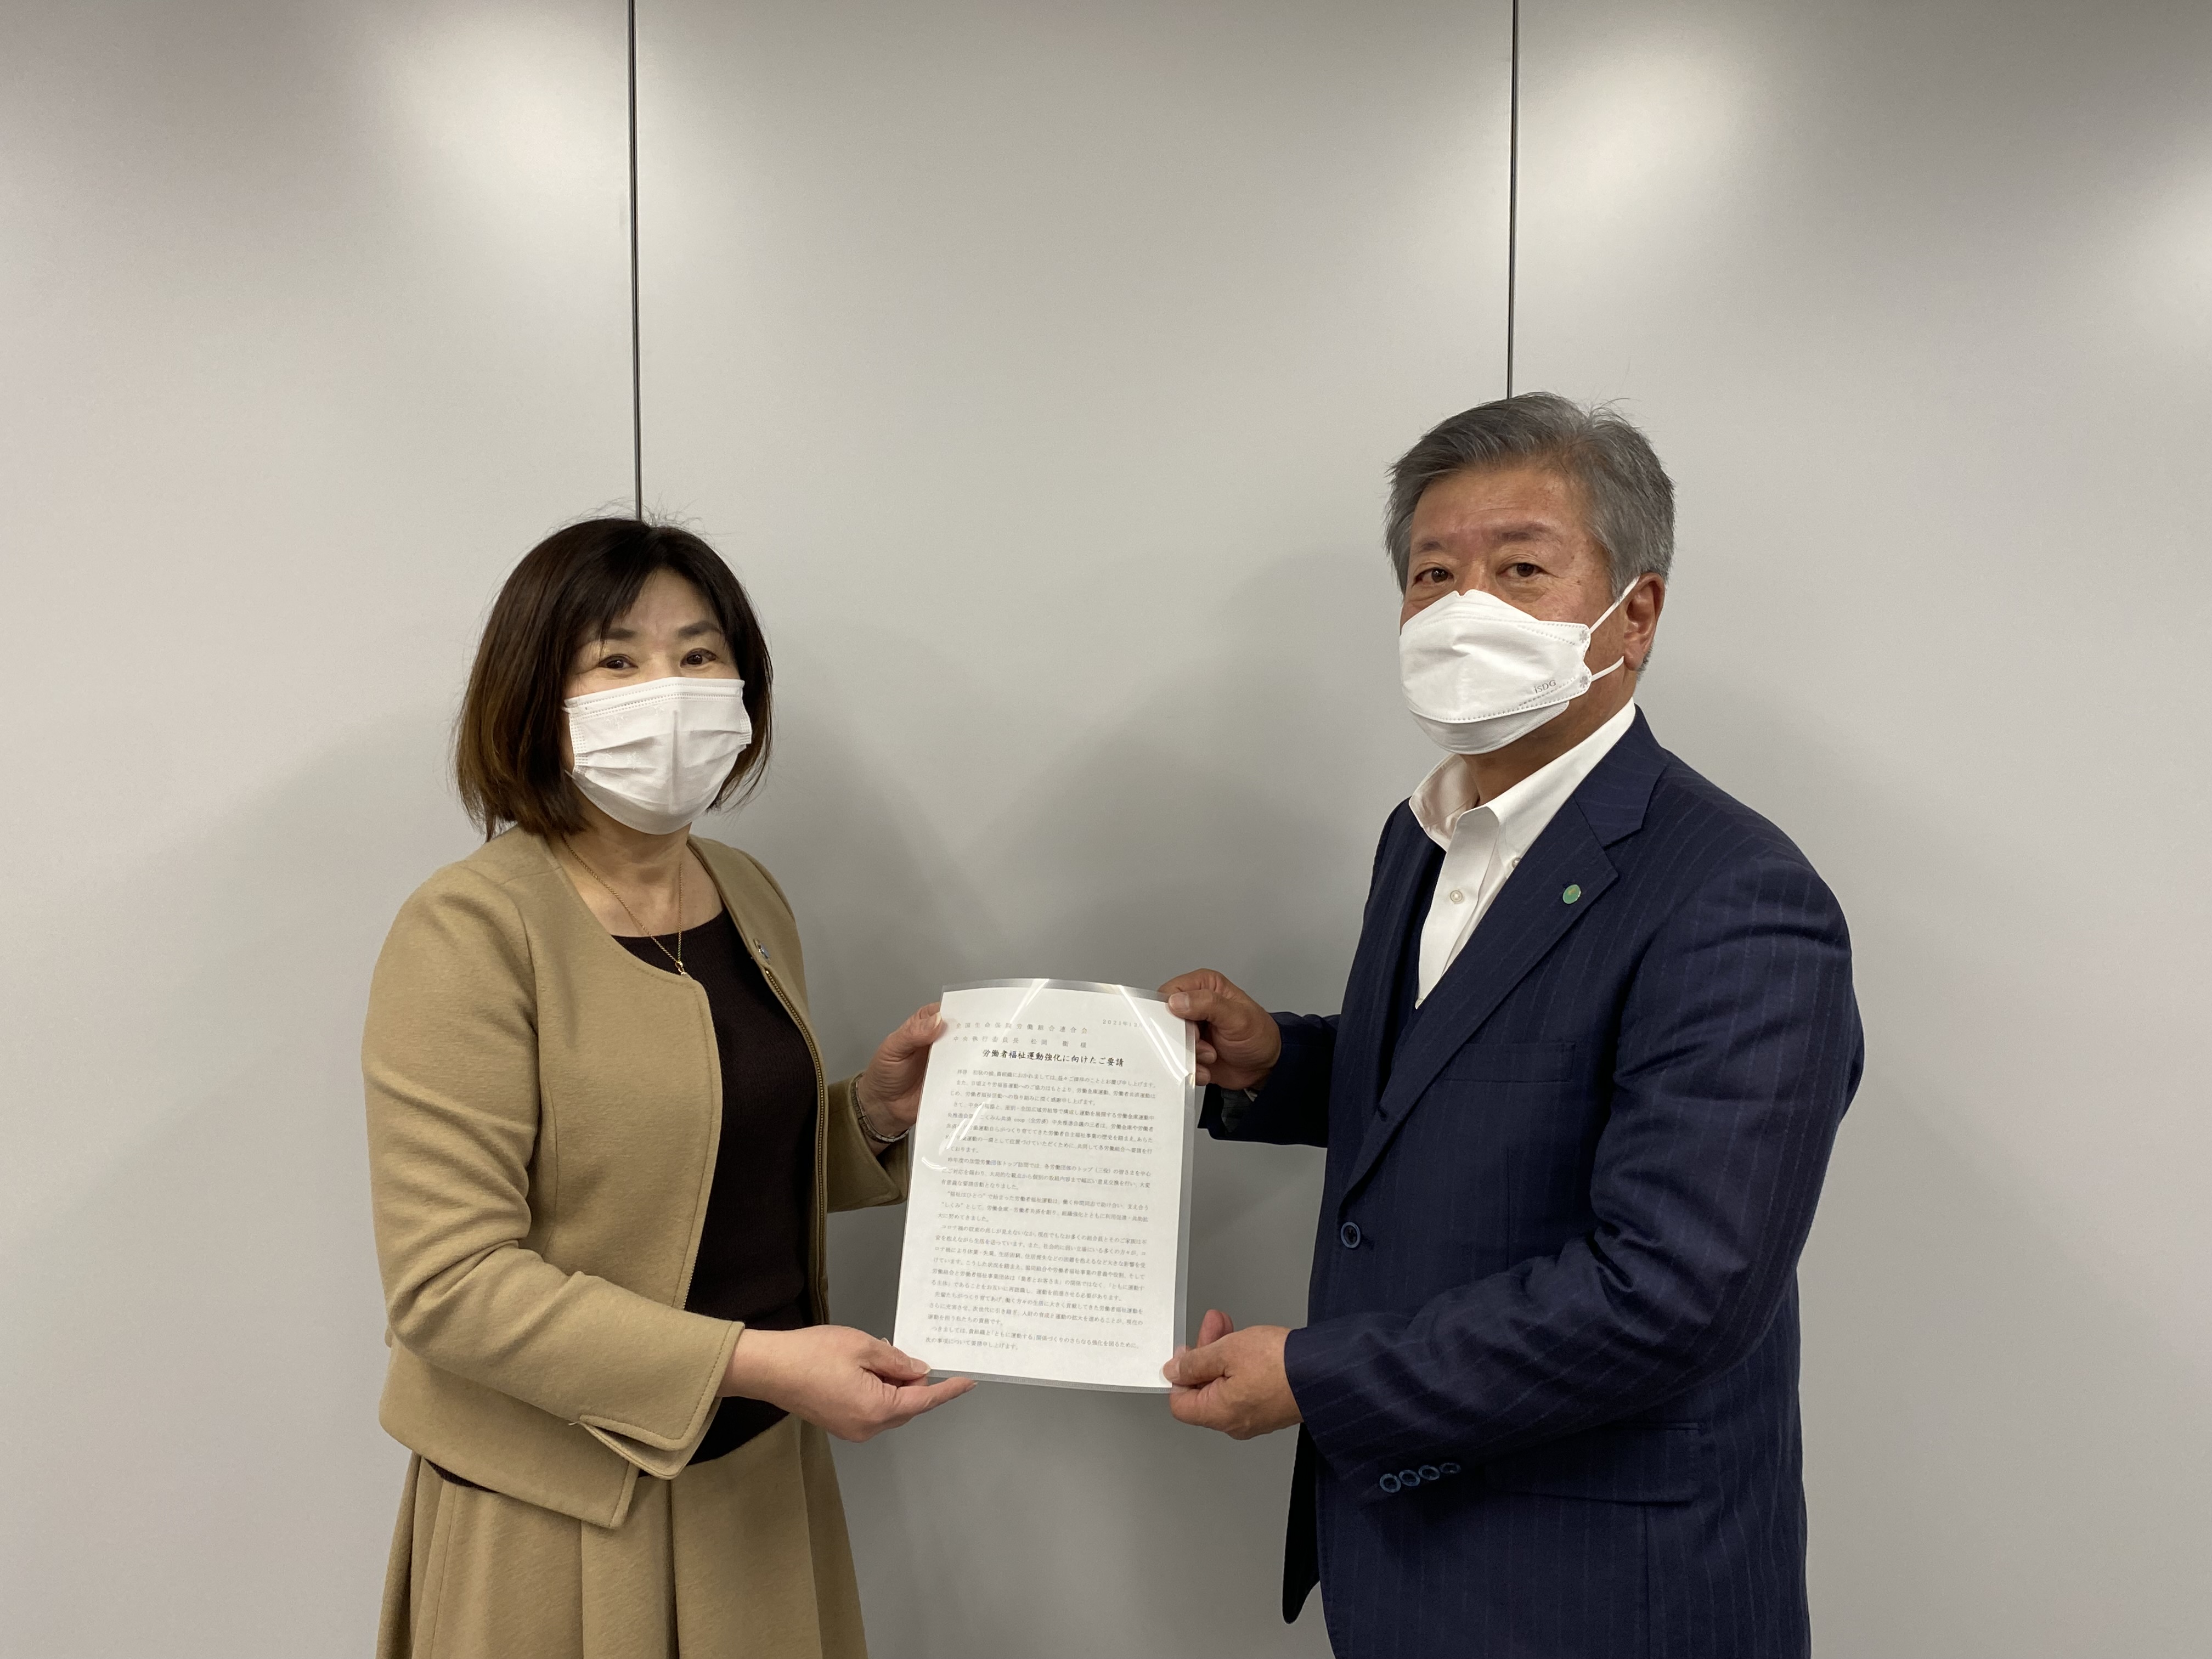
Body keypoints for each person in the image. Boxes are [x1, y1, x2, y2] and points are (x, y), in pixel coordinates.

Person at [1159, 394, 1861, 1658]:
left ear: (1634, 615)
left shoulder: (1736, 895)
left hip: (1606, 1588)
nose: (1463, 608)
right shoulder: (1424, 835)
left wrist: (1317, 1377)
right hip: (1406, 1558)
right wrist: (1280, 1065)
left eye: (1521, 569)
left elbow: (1672, 1292)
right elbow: (1481, 1070)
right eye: (1434, 574)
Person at [364, 518, 971, 1659]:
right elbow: (448, 1285)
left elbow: (700, 1158)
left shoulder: (745, 891)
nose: (671, 692)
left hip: (757, 1473)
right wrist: (757, 1360)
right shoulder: (470, 928)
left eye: (700, 655)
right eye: (617, 660)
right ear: (535, 697)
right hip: (560, 1505)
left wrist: (870, 1116)